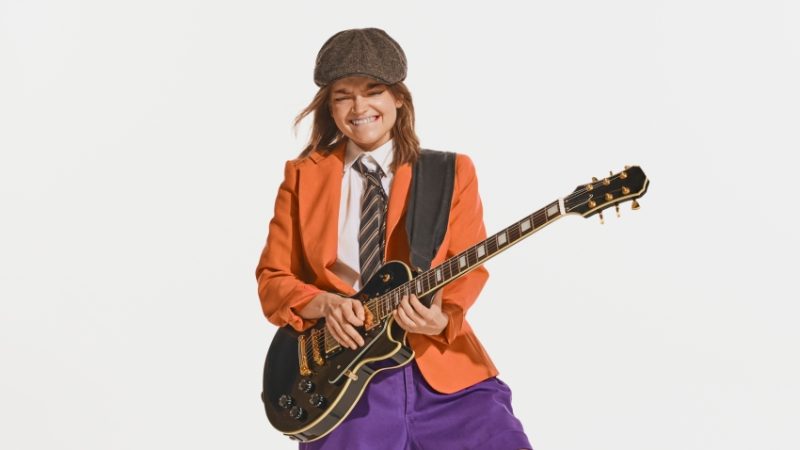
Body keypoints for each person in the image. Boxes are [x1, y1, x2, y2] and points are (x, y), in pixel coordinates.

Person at [256, 28, 532, 450]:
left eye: (374, 91)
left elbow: (466, 270)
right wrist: (327, 305)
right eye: (343, 95)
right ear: (330, 108)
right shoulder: (302, 177)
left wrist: (444, 319)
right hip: (344, 382)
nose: (359, 107)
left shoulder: (450, 172)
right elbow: (273, 281)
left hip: (444, 370)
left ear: (399, 98)